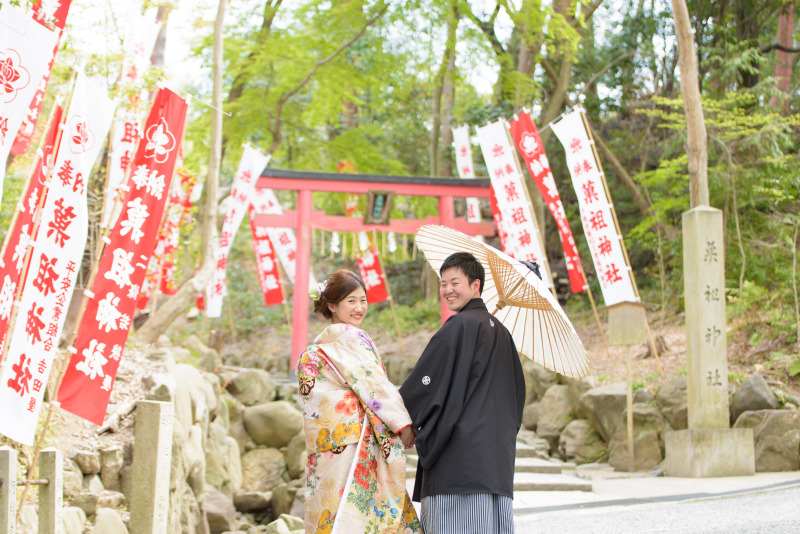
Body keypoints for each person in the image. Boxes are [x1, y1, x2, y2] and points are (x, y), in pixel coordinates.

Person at [400, 252, 525, 534]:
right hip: (496, 464)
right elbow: (517, 399)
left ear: (475, 285)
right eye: (443, 283)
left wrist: (405, 421)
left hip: (458, 463)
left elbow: (427, 385)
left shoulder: (458, 327)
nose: (447, 290)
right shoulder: (503, 334)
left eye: (454, 282)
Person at [296, 269, 423, 534]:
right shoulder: (352, 338)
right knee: (362, 514)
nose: (359, 307)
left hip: (327, 448)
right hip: (355, 445)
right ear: (332, 305)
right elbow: (374, 386)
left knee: (331, 511)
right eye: (351, 301)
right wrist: (401, 424)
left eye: (363, 300)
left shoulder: (318, 347)